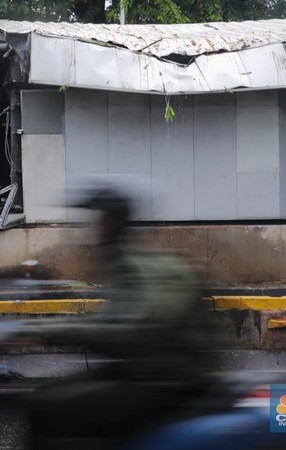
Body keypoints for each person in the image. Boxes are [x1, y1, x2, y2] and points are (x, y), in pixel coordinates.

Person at [16, 185, 221, 448]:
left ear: (110, 222)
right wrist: (42, 330)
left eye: (95, 220)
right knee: (47, 395)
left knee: (48, 404)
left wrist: (47, 332)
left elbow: (127, 328)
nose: (88, 231)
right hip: (144, 372)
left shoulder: (136, 266)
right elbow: (108, 323)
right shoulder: (123, 262)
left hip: (167, 382)